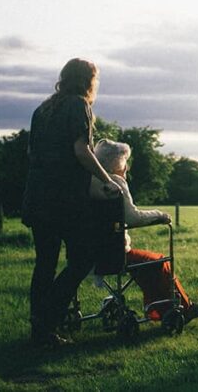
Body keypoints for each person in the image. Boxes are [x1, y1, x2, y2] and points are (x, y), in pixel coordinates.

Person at [22, 58, 121, 347]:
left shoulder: (43, 109)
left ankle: (39, 330)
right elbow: (82, 150)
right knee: (82, 259)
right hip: (64, 200)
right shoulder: (79, 106)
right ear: (88, 81)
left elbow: (32, 152)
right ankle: (48, 319)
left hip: (37, 197)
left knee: (45, 264)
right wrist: (107, 179)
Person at [89, 139, 198, 322]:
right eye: (125, 162)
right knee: (158, 261)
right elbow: (133, 218)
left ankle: (161, 308)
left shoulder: (88, 182)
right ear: (117, 163)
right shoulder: (115, 183)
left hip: (89, 252)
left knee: (146, 263)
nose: (127, 167)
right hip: (114, 253)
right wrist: (160, 215)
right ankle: (182, 308)